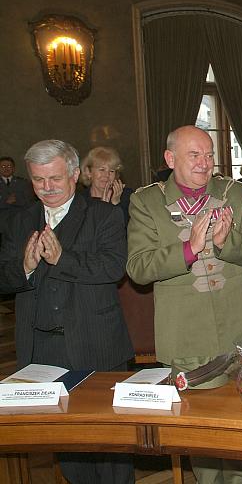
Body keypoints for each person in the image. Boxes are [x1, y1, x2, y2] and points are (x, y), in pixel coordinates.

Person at [126, 125, 242, 484]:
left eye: (209, 155)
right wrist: (188, 248)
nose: (205, 163)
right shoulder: (147, 202)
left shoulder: (236, 194)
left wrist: (226, 241)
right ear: (170, 159)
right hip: (187, 339)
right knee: (203, 439)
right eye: (195, 155)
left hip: (239, 333)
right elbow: (138, 268)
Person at [0, 140, 134, 484]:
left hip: (97, 346)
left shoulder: (103, 214)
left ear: (75, 174)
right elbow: (4, 276)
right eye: (38, 180)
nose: (46, 188)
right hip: (43, 351)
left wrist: (62, 259)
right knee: (70, 452)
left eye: (55, 179)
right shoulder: (20, 220)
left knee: (111, 450)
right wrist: (25, 268)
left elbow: (113, 267)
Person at [80, 146, 134, 225]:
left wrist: (116, 204)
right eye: (102, 170)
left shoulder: (127, 196)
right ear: (88, 172)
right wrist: (104, 208)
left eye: (111, 171)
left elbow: (128, 230)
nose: (106, 175)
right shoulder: (80, 201)